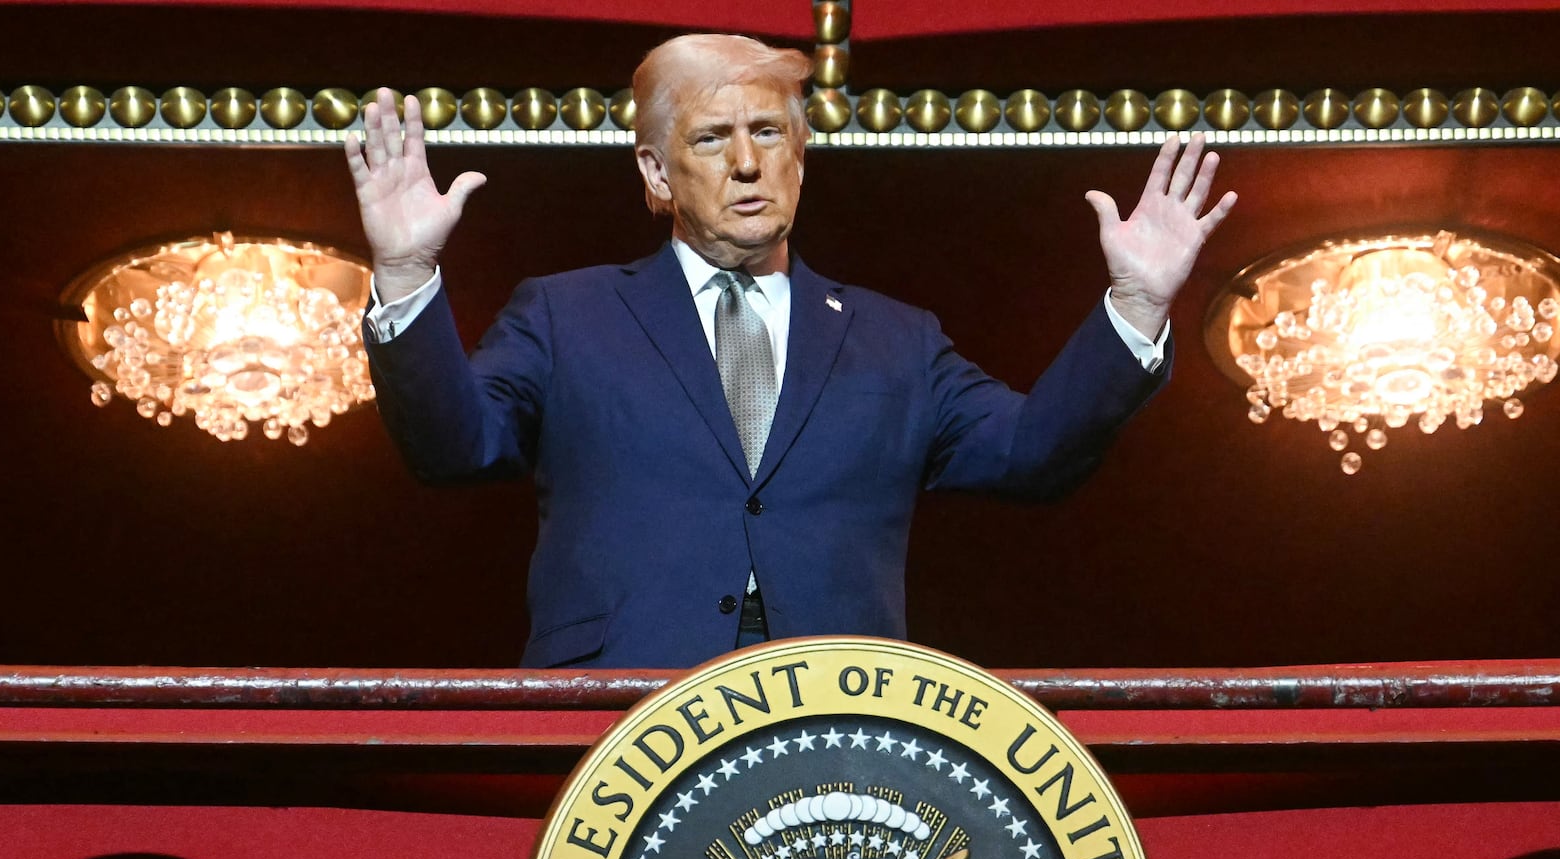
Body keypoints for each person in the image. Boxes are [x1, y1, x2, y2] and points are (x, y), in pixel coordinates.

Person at [346, 34, 1235, 669]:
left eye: (769, 134)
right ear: (657, 174)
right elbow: (452, 449)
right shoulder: (566, 313)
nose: (746, 164)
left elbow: (1032, 454)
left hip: (837, 717)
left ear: (801, 159)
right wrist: (405, 269)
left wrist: (1137, 302)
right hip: (620, 713)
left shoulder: (896, 338)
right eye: (710, 137)